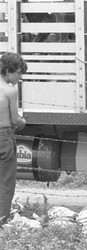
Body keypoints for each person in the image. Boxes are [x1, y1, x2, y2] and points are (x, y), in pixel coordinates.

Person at [0, 53, 27, 224]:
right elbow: (15, 119)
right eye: (18, 72)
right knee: (5, 181)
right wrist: (23, 122)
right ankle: (1, 219)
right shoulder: (10, 90)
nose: (19, 76)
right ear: (8, 71)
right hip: (4, 136)